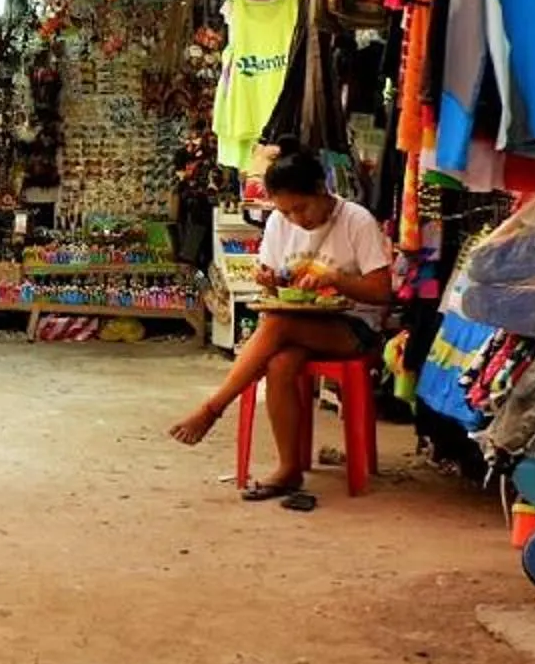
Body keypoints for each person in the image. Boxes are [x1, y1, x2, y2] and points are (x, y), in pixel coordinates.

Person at [169, 148, 395, 502]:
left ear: (322, 190)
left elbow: (382, 292)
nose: (295, 219)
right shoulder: (278, 223)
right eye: (286, 212)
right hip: (300, 323)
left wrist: (334, 278)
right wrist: (269, 278)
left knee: (277, 324)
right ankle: (289, 468)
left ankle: (213, 408)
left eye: (301, 208)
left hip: (353, 327)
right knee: (280, 362)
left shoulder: (356, 220)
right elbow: (277, 286)